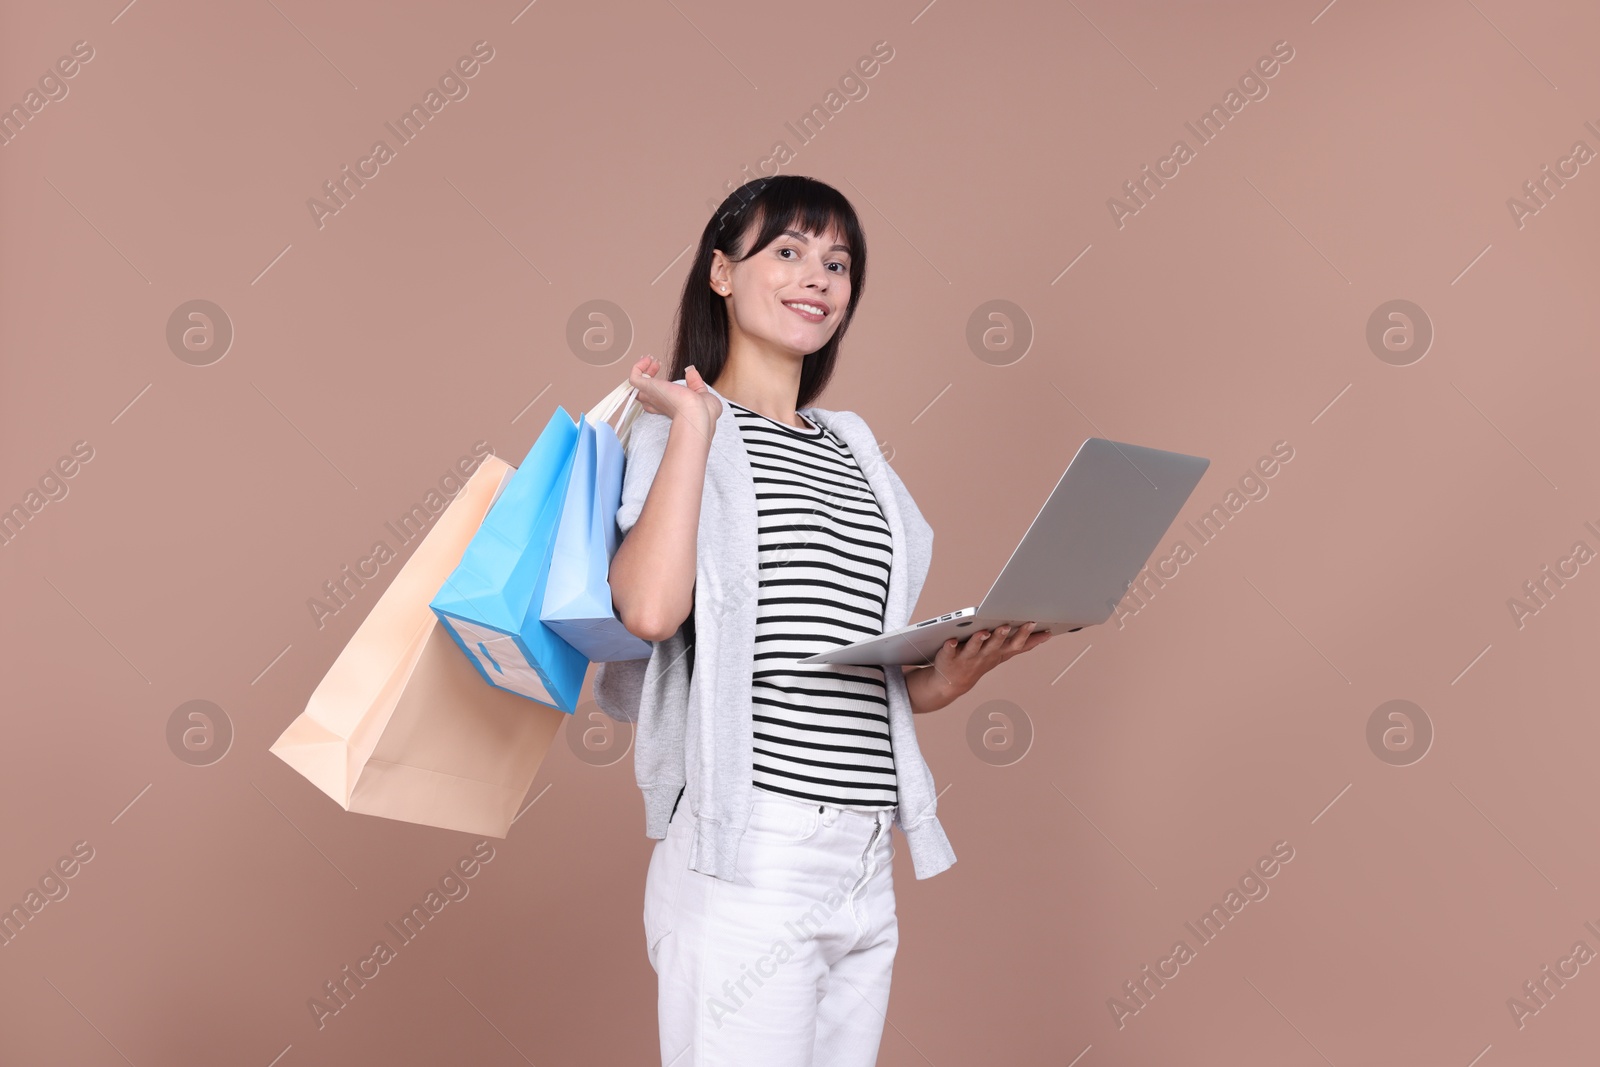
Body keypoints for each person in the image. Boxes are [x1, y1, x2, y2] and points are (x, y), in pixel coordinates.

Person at [592, 175, 1052, 1066]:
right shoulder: (677, 428)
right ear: (722, 274)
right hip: (748, 848)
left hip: (862, 852)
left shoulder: (854, 450)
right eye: (790, 251)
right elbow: (648, 610)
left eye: (838, 263)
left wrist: (945, 678)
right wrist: (692, 422)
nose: (819, 278)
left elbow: (836, 662)